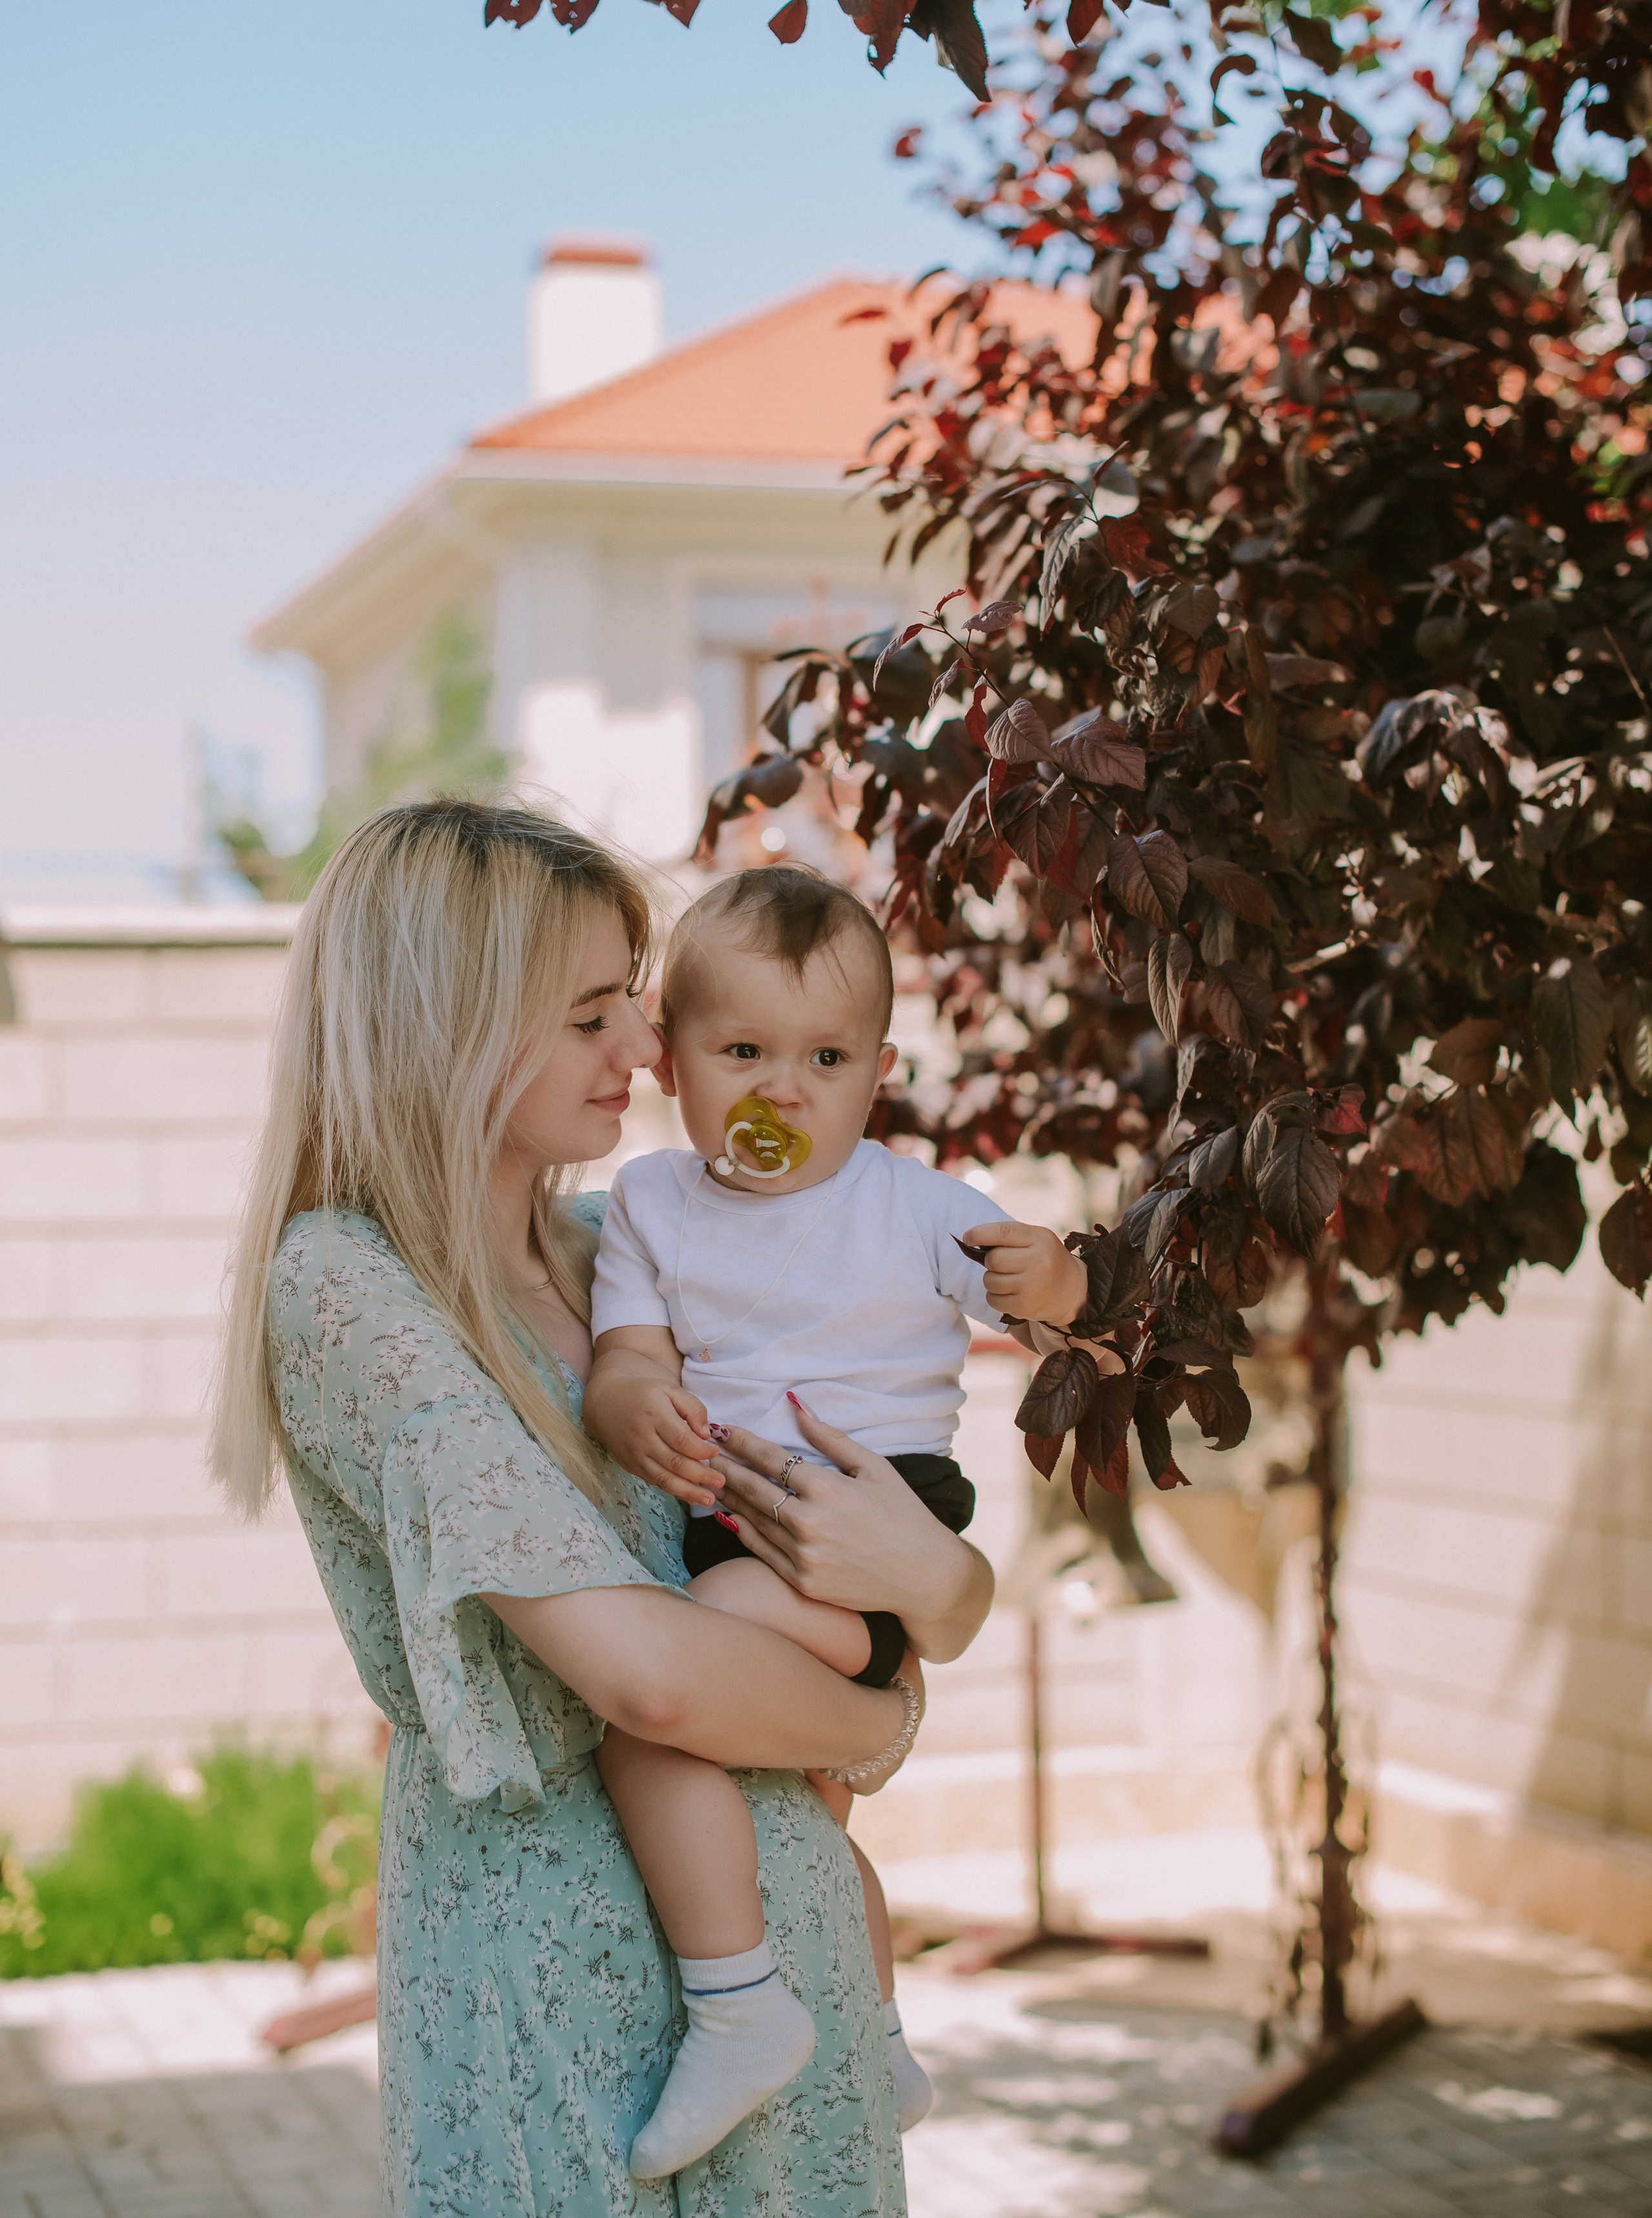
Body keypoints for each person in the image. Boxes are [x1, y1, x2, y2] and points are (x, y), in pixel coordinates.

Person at [208, 801, 994, 2217]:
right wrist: (885, 1713)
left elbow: (898, 1588)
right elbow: (654, 1680)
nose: (645, 1054)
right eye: (593, 1017)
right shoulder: (345, 1284)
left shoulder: (617, 1250)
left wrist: (943, 1593)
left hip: (787, 1966)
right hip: (556, 1976)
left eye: (636, 1007)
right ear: (445, 1023)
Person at [584, 867, 1090, 2178]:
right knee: (798, 1821)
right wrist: (634, 1401)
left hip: (874, 1520)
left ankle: (739, 2006)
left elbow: (1044, 1312)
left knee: (649, 1726)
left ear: (874, 1071)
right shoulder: (649, 1206)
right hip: (737, 1527)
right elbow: (628, 1357)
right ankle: (873, 2028)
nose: (783, 1089)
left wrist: (1052, 1275)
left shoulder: (913, 1204)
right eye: (740, 1049)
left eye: (825, 1056)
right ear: (668, 1055)